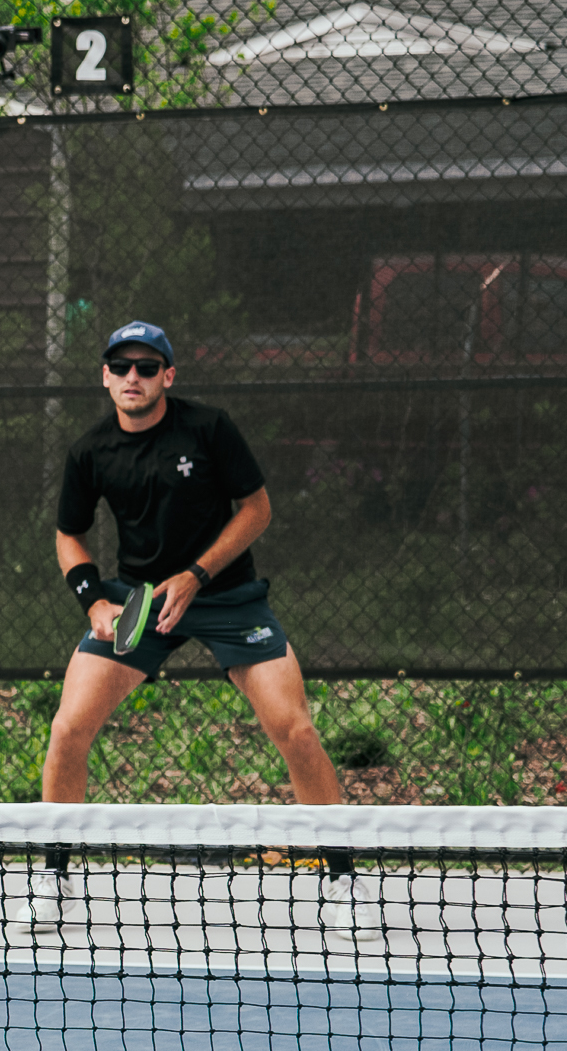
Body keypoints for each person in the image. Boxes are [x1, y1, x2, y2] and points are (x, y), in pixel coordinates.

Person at [31, 318, 352, 931]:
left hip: (229, 597)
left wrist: (197, 575)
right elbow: (69, 534)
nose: (133, 377)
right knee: (69, 727)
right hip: (138, 603)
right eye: (121, 366)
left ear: (167, 377)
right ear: (105, 376)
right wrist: (94, 602)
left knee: (295, 729)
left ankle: (340, 874)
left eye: (147, 367)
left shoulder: (209, 428)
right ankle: (54, 874)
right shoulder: (90, 451)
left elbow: (257, 509)